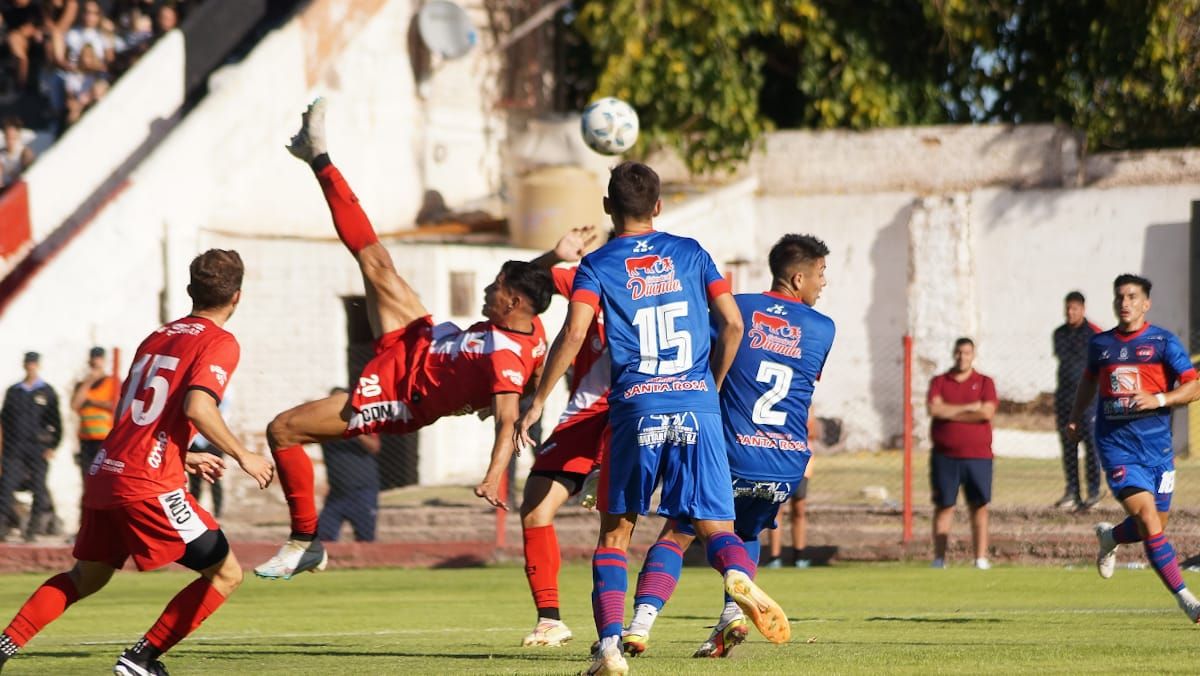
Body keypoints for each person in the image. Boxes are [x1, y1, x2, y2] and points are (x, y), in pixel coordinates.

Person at [255, 98, 554, 580]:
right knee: (376, 262)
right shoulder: (529, 324)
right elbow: (536, 358)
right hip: (421, 341)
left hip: (403, 395)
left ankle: (305, 541)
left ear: (513, 302)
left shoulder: (506, 358)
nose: (485, 290)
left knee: (282, 430)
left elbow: (505, 419)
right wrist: (553, 257)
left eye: (495, 290)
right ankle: (318, 157)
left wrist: (494, 474)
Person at [515, 162, 790, 675]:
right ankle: (734, 574)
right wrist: (709, 381)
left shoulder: (596, 264)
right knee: (714, 524)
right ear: (659, 206)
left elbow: (573, 335)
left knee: (616, 533)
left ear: (606, 207)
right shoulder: (692, 253)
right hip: (697, 402)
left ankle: (611, 649)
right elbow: (732, 323)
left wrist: (537, 401)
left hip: (637, 405)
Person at [0, 249, 275, 675]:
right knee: (226, 574)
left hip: (106, 471)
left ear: (190, 291)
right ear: (237, 296)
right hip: (146, 483)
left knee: (86, 578)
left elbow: (137, 414)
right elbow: (198, 406)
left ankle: (4, 645)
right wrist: (244, 454)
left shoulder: (157, 336)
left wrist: (182, 456)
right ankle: (141, 660)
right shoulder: (219, 341)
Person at [615, 233, 835, 659]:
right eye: (821, 274)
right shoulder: (823, 329)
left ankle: (639, 625)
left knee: (676, 533)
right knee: (747, 531)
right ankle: (731, 616)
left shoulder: (736, 308)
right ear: (797, 276)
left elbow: (704, 353)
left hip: (727, 453)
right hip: (784, 461)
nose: (823, 284)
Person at [1069, 273, 1200, 623]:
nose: (1124, 303)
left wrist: (1159, 398)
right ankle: (1187, 599)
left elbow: (1193, 387)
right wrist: (1074, 416)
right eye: (1119, 297)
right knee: (1146, 518)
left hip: (1158, 450)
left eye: (1131, 297)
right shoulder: (1101, 344)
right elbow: (1088, 380)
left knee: (1153, 524)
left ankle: (1110, 535)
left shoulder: (1163, 342)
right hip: (1116, 447)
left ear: (1146, 303)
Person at [518, 226, 609, 649]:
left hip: (630, 413)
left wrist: (538, 401)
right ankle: (549, 620)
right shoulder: (587, 274)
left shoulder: (660, 281)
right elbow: (523, 281)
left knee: (618, 524)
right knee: (535, 505)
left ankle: (622, 628)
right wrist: (553, 257)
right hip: (586, 417)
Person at [927, 337, 997, 570]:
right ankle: (939, 559)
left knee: (979, 506)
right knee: (944, 506)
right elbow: (934, 409)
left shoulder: (985, 382)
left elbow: (986, 413)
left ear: (972, 355)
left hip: (978, 456)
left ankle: (980, 558)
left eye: (966, 353)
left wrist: (950, 412)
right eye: (958, 352)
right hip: (944, 456)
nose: (962, 357)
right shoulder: (939, 381)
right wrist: (969, 408)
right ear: (953, 354)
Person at [0, 351, 62, 542]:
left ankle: (33, 530)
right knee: (6, 486)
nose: (31, 366)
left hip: (37, 448)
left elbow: (56, 423)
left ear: (38, 365)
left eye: (34, 363)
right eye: (28, 363)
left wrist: (53, 445)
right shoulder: (14, 391)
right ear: (24, 365)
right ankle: (1, 527)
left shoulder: (47, 391)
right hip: (14, 448)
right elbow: (4, 421)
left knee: (38, 488)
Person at [1053, 291, 1102, 511]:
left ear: (1083, 309)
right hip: (1065, 397)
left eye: (1074, 308)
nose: (1070, 313)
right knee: (1068, 445)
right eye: (1067, 308)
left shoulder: (1094, 334)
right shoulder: (1059, 334)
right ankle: (1072, 490)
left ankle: (1093, 491)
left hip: (1089, 399)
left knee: (1091, 444)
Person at [317, 388, 381, 543]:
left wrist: (353, 429)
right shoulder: (324, 426)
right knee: (323, 537)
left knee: (365, 539)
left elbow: (374, 447)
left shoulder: (363, 421)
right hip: (337, 494)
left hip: (363, 492)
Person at [71, 346, 115, 483]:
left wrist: (93, 402)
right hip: (86, 438)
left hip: (105, 438)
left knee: (103, 478)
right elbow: (75, 405)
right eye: (93, 358)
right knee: (87, 476)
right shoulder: (82, 384)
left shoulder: (112, 382)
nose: (96, 362)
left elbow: (115, 405)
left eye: (99, 358)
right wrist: (89, 381)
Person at [765, 457, 814, 568]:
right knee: (776, 510)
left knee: (799, 510)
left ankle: (799, 557)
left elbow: (813, 439)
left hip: (801, 466)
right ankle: (774, 557)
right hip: (777, 466)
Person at [187, 395, 230, 519]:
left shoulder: (225, 393)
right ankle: (193, 512)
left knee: (215, 477)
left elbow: (221, 415)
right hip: (195, 440)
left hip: (214, 441)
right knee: (195, 480)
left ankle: (218, 514)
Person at [0, 116, 36, 187]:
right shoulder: (2, 154)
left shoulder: (25, 153)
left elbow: (29, 175)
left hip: (18, 188)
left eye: (13, 138)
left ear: (18, 136)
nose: (10, 141)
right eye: (8, 138)